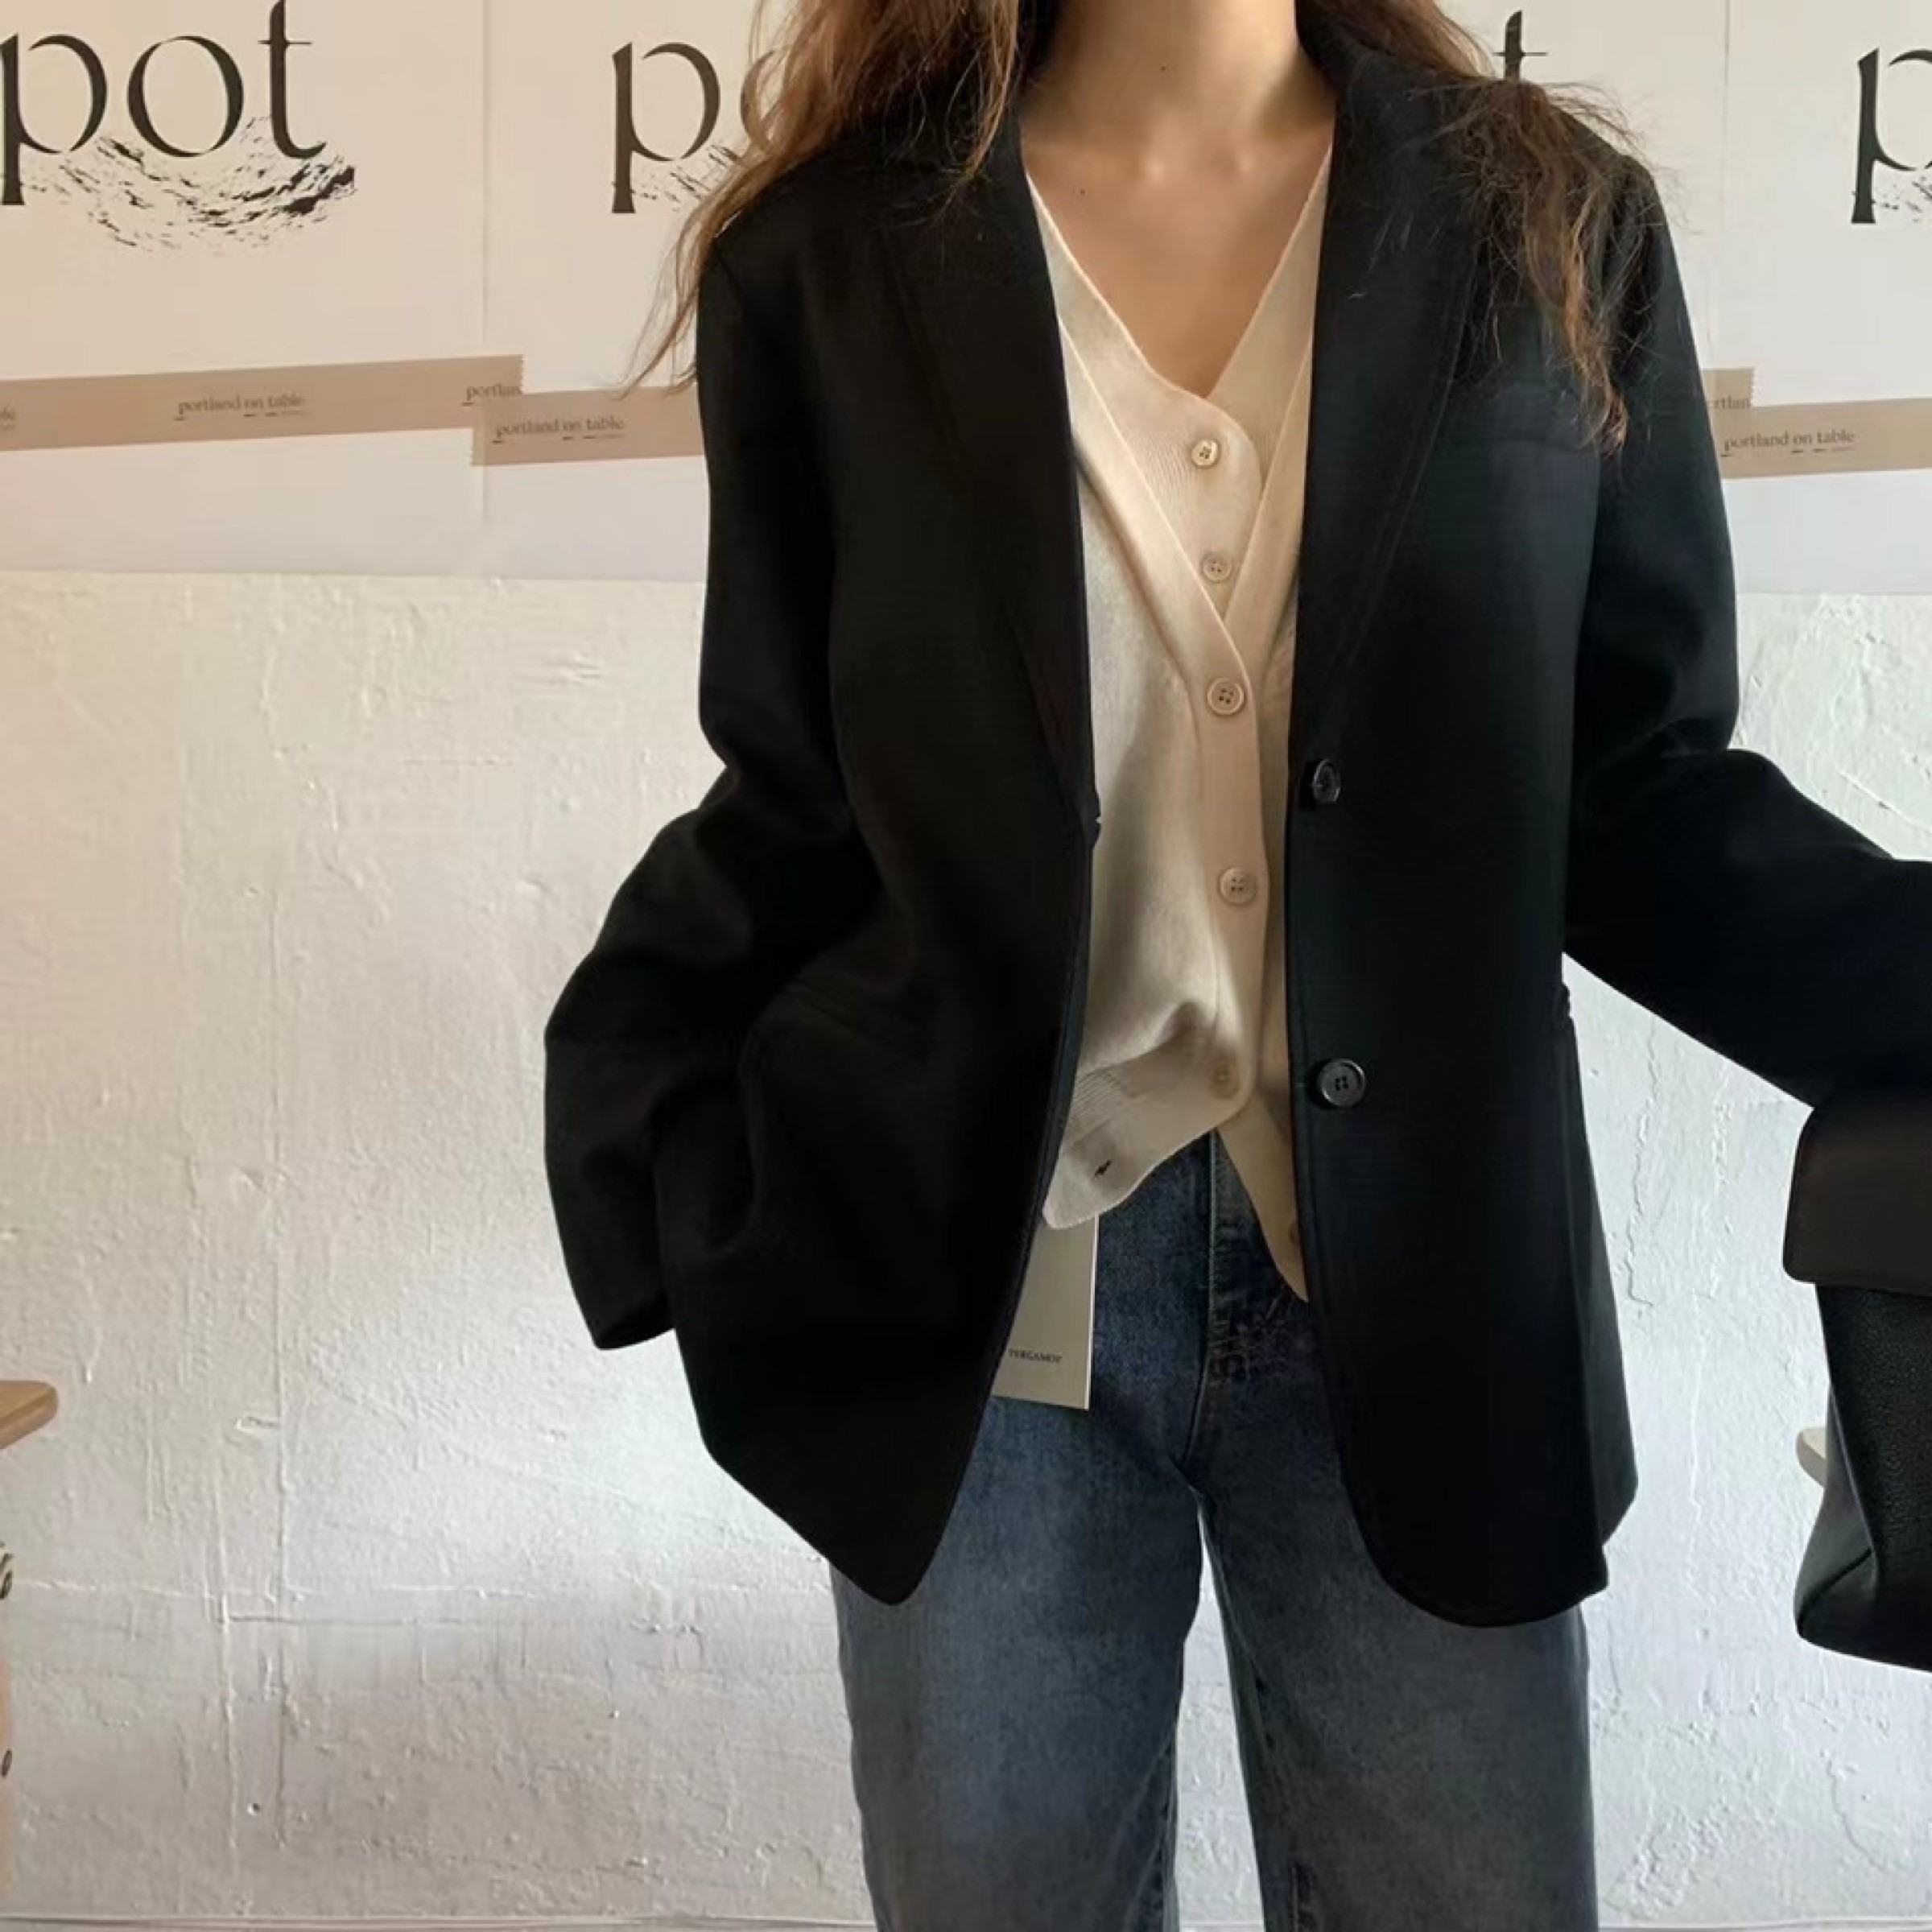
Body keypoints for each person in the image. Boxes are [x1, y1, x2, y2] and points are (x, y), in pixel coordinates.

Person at [542, 1, 1932, 1926]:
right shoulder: (836, 256)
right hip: (984, 1313)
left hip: (1425, 1294)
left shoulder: (1543, 216)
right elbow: (800, 794)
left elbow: (1631, 793)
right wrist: (648, 1166)